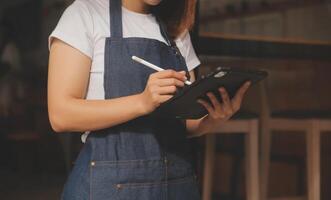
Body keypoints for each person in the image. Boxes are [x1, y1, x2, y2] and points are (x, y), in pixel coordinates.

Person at [47, 0, 251, 199]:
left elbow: (188, 123)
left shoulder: (177, 31)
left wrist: (213, 119)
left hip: (177, 184)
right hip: (107, 186)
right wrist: (142, 103)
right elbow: (61, 115)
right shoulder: (85, 14)